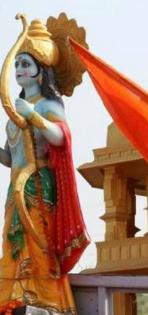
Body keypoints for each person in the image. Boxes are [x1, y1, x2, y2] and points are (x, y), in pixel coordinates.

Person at [0, 15, 89, 314]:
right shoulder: (15, 113)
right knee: (14, 242)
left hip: (39, 186)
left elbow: (60, 139)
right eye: (17, 64)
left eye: (25, 64)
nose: (19, 70)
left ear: (41, 72)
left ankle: (44, 300)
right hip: (16, 188)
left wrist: (33, 116)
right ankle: (16, 297)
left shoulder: (48, 106)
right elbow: (10, 158)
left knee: (39, 244)